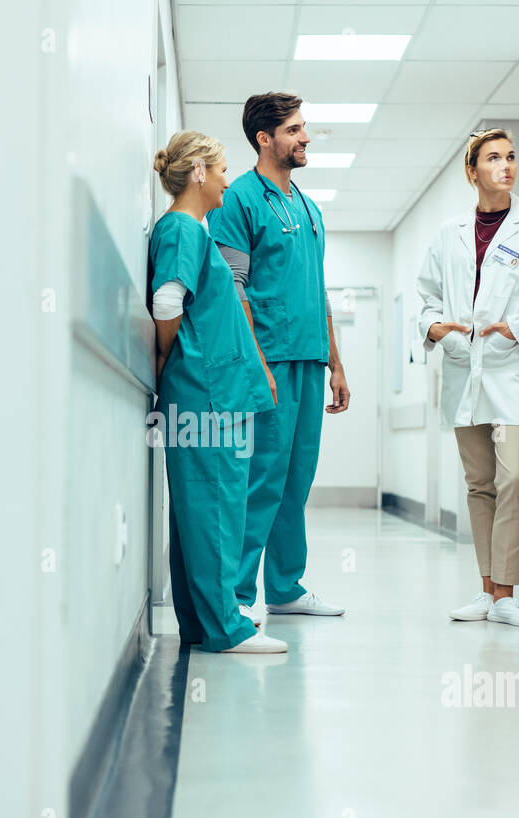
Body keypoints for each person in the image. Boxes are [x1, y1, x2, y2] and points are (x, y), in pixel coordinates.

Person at [416, 129, 519, 627]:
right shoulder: (449, 233)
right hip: (465, 371)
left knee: (515, 477)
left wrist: (518, 328)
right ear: (472, 171)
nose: (505, 166)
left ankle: (506, 593)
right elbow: (426, 298)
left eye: (510, 157)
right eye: (493, 158)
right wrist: (436, 328)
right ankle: (487, 590)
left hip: (513, 371)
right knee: (480, 483)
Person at [206, 92, 350, 626]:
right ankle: (238, 597)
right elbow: (233, 287)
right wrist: (256, 364)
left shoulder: (308, 207)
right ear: (264, 138)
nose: (305, 137)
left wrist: (336, 363)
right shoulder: (239, 199)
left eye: (303, 127)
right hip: (268, 361)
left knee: (296, 479)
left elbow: (319, 290)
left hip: (310, 362)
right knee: (261, 478)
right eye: (293, 129)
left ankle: (286, 587)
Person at [148, 131, 286, 653]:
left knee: (202, 511)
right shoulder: (184, 227)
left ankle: (206, 626)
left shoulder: (190, 230)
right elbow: (167, 302)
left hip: (206, 391)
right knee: (218, 509)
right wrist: (169, 357)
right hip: (206, 394)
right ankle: (227, 627)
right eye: (223, 168)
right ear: (200, 172)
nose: (230, 179)